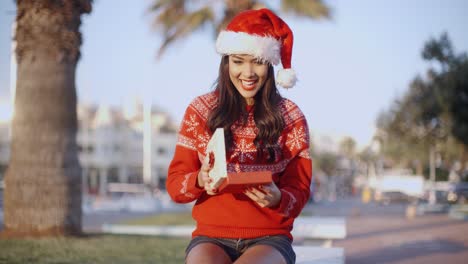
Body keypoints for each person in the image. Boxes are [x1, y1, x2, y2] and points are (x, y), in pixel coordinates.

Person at [167, 8, 312, 264]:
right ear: (226, 63)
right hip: (211, 237)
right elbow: (175, 186)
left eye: (257, 61)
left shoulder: (291, 116)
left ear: (269, 64)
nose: (248, 72)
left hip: (270, 238)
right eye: (238, 61)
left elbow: (299, 190)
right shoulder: (200, 110)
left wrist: (280, 198)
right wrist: (200, 179)